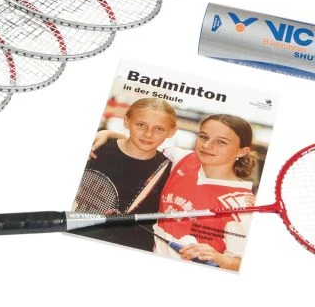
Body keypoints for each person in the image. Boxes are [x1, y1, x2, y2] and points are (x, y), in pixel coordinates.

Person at [91, 114, 258, 270]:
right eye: (203, 137)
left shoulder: (241, 203)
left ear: (242, 151)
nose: (207, 145)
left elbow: (242, 263)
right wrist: (107, 134)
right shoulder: (183, 158)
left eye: (221, 142)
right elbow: (144, 144)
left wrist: (219, 258)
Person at [71, 98, 178, 251]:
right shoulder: (96, 150)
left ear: (172, 132)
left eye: (159, 129)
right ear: (127, 122)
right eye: (141, 125)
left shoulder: (171, 171)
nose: (148, 134)